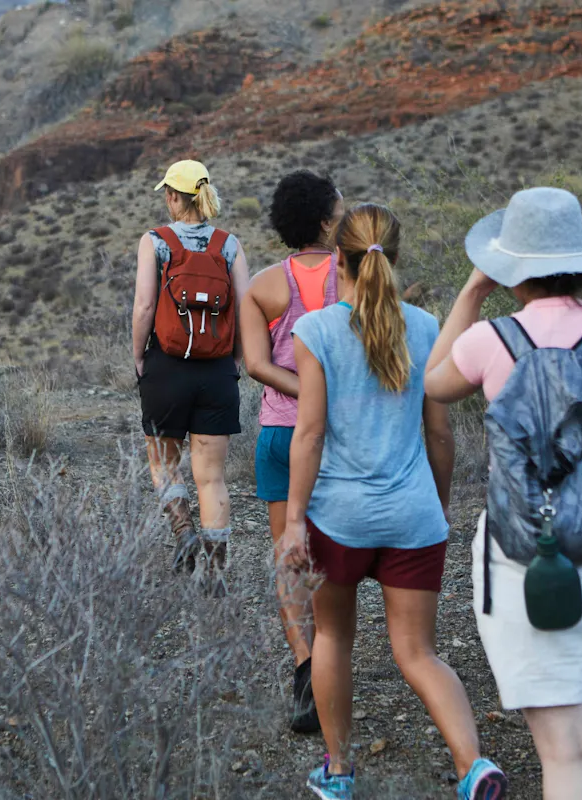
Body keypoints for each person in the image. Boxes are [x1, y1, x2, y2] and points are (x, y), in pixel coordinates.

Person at [424, 187, 582, 800]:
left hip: (527, 560)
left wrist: (471, 292)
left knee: (563, 750)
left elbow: (432, 383)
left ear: (513, 268)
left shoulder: (493, 340)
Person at [279, 203, 507, 800]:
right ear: (396, 259)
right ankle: (473, 767)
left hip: (340, 519)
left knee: (332, 640)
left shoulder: (317, 330)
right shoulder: (429, 328)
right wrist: (434, 506)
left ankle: (339, 773)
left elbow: (309, 434)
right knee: (418, 653)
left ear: (339, 262)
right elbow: (440, 433)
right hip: (412, 516)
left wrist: (295, 520)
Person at [241, 170, 343, 734]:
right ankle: (330, 662)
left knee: (289, 554)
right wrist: (324, 392)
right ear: (326, 221)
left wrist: (298, 388)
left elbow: (255, 365)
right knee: (330, 556)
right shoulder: (354, 278)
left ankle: (304, 667)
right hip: (333, 437)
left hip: (279, 435)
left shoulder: (262, 286)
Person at [132, 159, 251, 595]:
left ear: (173, 196)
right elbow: (245, 308)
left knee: (164, 464)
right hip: (217, 372)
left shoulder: (155, 242)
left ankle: (183, 530)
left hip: (166, 366)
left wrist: (139, 357)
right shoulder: (229, 244)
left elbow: (145, 307)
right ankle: (216, 576)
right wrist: (235, 362)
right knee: (212, 478)